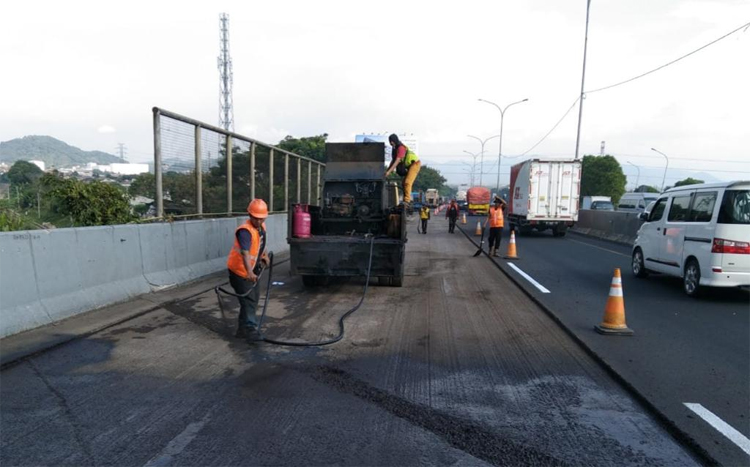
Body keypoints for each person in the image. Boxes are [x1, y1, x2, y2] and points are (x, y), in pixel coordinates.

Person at [226, 199, 271, 341]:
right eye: (256, 218)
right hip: (240, 272)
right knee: (249, 300)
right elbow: (245, 252)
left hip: (252, 271)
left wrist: (264, 256)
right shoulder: (245, 231)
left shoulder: (261, 227)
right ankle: (250, 329)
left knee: (252, 299)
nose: (258, 221)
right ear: (250, 215)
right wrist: (249, 273)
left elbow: (260, 244)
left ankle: (241, 330)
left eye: (261, 218)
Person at [384, 134, 421, 211]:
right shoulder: (395, 148)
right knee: (403, 183)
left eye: (391, 142)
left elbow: (397, 161)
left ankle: (407, 201)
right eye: (390, 142)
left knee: (407, 182)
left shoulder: (401, 148)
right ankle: (405, 200)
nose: (391, 144)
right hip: (409, 166)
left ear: (394, 141)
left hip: (415, 164)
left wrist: (389, 172)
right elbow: (393, 161)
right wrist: (387, 171)